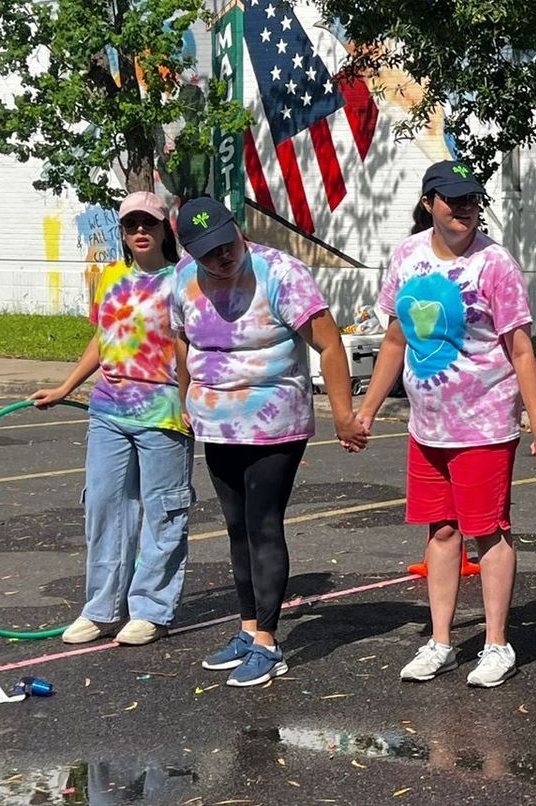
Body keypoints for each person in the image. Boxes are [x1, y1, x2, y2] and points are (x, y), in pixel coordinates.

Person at [354, 161, 536, 688]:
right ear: (429, 204)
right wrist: (368, 409)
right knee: (442, 531)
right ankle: (440, 641)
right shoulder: (407, 257)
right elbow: (395, 342)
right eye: (452, 200)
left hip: (484, 425)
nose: (463, 209)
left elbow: (522, 349)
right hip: (427, 427)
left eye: (471, 200)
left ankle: (496, 644)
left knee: (488, 531)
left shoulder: (495, 264)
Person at [169, 196, 368, 687]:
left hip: (274, 422)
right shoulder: (182, 279)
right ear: (191, 251)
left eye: (226, 243)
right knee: (235, 527)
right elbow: (182, 340)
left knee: (262, 523)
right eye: (208, 252)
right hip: (217, 421)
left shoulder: (282, 274)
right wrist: (184, 398)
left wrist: (343, 414)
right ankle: (247, 627)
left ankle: (269, 643)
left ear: (237, 229)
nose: (221, 258)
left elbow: (328, 342)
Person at [32, 191, 193, 647]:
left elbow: (191, 346)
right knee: (104, 509)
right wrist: (67, 387)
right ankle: (102, 609)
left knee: (163, 513)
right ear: (122, 233)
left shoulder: (183, 279)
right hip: (108, 410)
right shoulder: (110, 278)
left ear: (166, 230)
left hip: (162, 412)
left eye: (149, 223)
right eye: (131, 225)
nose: (140, 231)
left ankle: (152, 609)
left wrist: (188, 401)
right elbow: (105, 340)